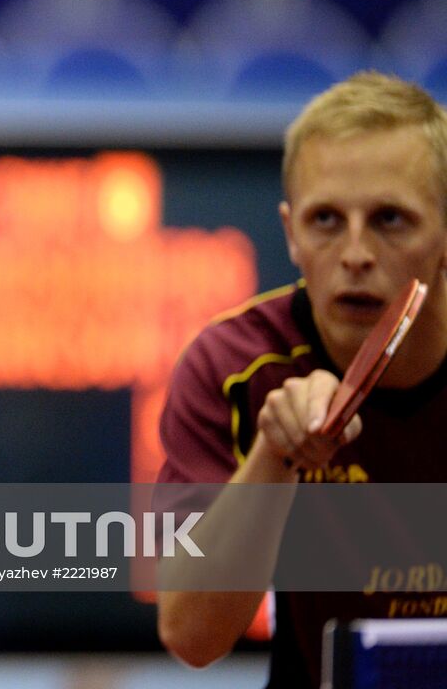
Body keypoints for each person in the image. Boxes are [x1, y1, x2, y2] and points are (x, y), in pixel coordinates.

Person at [156, 70, 447, 687]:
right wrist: (276, 454)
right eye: (325, 220)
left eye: (391, 219)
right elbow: (191, 635)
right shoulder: (232, 365)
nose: (356, 252)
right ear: (290, 232)